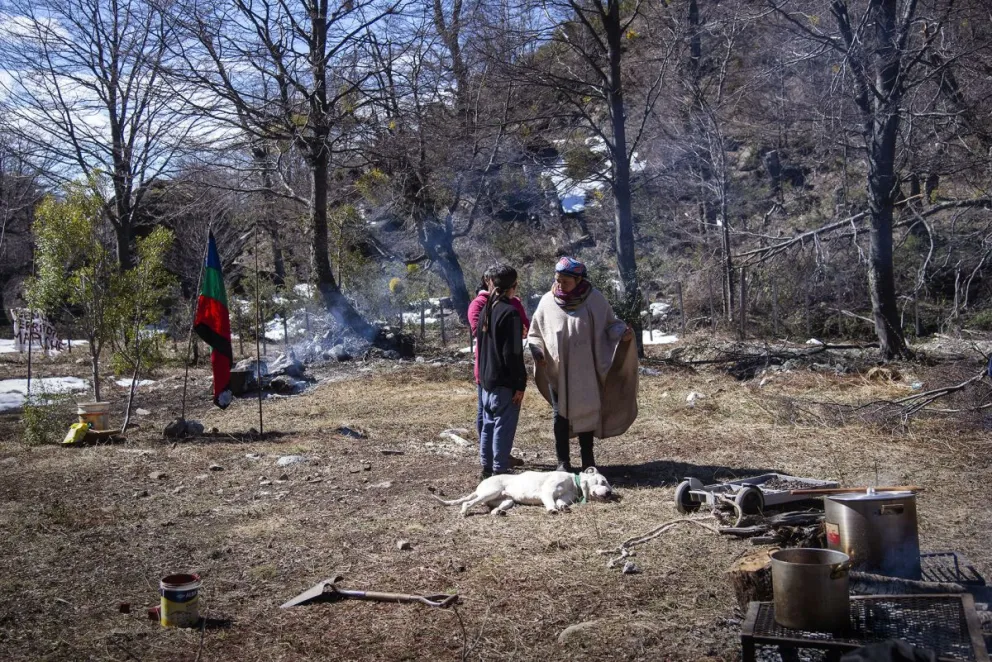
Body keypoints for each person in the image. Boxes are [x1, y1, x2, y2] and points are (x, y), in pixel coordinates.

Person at [527, 257, 638, 472]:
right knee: (560, 415)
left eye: (565, 281)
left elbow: (610, 325)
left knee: (586, 412)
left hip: (586, 371)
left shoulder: (594, 299)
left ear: (578, 280)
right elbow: (535, 334)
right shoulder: (547, 301)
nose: (560, 285)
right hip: (557, 372)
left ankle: (588, 461)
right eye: (557, 280)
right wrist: (537, 351)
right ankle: (563, 463)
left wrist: (622, 334)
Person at [476, 264, 527, 479]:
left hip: (486, 380)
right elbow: (513, 354)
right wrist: (520, 384)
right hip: (504, 382)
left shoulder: (486, 310)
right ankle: (499, 472)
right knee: (503, 427)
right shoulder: (510, 313)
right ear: (513, 287)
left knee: (488, 425)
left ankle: (486, 469)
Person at [468, 266, 529, 439]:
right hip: (486, 364)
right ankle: (491, 456)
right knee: (485, 413)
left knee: (500, 415)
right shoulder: (480, 304)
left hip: (507, 368)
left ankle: (497, 454)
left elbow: (525, 325)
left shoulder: (513, 304)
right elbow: (476, 330)